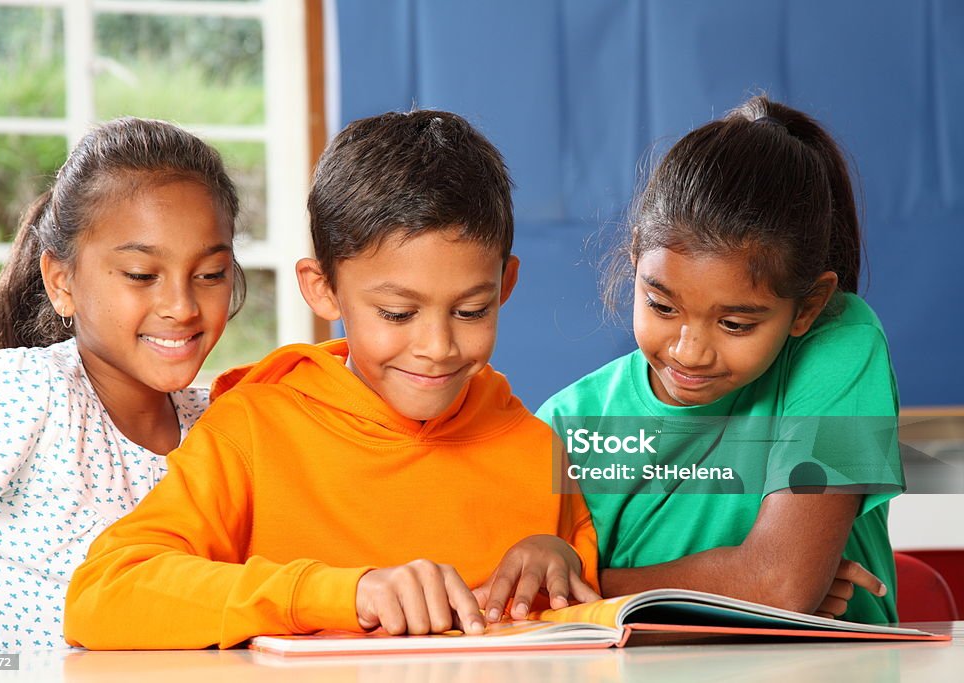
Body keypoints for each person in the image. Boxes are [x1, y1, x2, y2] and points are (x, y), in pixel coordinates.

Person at [64, 110, 600, 650]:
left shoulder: (536, 445)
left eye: (471, 311)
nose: (438, 348)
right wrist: (345, 593)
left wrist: (560, 558)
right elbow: (102, 595)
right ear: (322, 288)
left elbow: (588, 622)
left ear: (505, 285)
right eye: (396, 313)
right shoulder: (252, 432)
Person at [537, 95, 903, 624]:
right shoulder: (565, 424)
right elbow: (523, 607)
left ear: (808, 307)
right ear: (636, 257)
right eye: (661, 305)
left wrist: (589, 591)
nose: (689, 350)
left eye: (735, 324)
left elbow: (779, 584)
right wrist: (745, 597)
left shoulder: (843, 340)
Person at [0, 117, 245, 652]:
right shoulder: (27, 391)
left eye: (210, 274)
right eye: (141, 275)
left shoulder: (221, 425)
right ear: (62, 283)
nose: (182, 306)